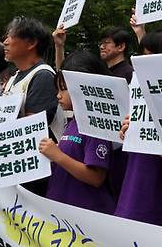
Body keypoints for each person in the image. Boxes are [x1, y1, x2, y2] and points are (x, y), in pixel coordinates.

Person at [115, 27, 162, 226]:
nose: (144, 65)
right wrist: (131, 130)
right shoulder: (139, 90)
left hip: (160, 200)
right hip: (133, 191)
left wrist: (148, 136)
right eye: (143, 57)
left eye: (151, 57)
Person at [39, 51, 115, 214]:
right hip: (63, 211)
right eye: (58, 89)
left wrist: (58, 156)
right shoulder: (74, 121)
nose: (58, 95)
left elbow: (96, 178)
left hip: (85, 214)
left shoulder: (95, 123)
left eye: (64, 89)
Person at [3, 17, 59, 196]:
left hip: (36, 174)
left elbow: (30, 129)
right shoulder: (14, 77)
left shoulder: (42, 76)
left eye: (11, 36)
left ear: (31, 43)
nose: (5, 42)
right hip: (18, 166)